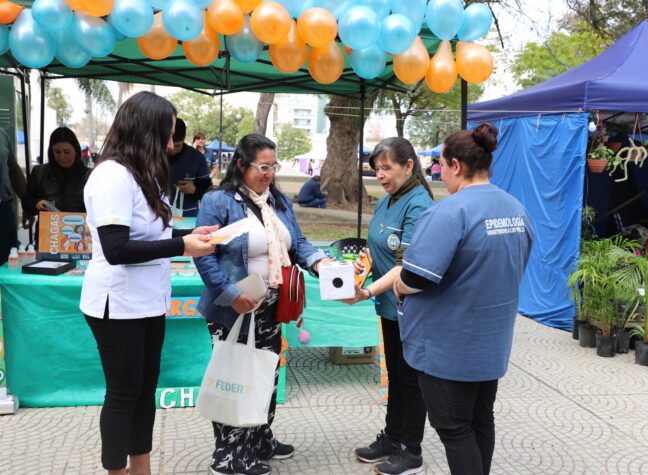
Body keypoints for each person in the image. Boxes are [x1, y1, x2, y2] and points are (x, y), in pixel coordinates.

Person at [80, 92, 217, 475]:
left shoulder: (146, 175)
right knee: (123, 393)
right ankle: (116, 471)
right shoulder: (111, 176)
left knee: (145, 391)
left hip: (149, 301)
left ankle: (142, 468)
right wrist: (182, 246)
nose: (172, 144)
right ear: (145, 132)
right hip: (117, 303)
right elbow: (117, 248)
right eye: (167, 134)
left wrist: (191, 234)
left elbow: (153, 234)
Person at [394, 124, 534, 475]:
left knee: (455, 429)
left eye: (440, 165)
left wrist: (398, 287)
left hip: (449, 346)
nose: (439, 173)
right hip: (490, 342)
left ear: (456, 165)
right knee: (480, 420)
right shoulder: (516, 208)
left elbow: (416, 276)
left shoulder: (449, 212)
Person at [194, 134, 329, 475]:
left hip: (270, 307)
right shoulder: (218, 201)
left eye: (273, 167)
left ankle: (258, 439)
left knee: (265, 373)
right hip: (234, 308)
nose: (269, 174)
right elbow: (205, 255)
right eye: (262, 167)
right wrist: (230, 295)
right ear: (240, 164)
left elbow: (297, 243)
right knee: (235, 376)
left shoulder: (277, 201)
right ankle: (228, 454)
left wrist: (319, 262)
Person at [341, 137, 435, 475]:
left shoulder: (419, 204)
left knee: (410, 380)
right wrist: (360, 267)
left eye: (386, 168)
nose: (380, 175)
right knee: (395, 375)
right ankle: (393, 438)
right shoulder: (385, 201)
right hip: (388, 305)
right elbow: (375, 248)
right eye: (377, 169)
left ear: (408, 166)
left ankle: (412, 451)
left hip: (411, 308)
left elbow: (404, 266)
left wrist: (366, 292)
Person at [22, 127, 90, 222]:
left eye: (67, 152)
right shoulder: (39, 172)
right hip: (48, 229)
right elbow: (26, 202)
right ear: (51, 152)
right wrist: (36, 203)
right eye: (57, 152)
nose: (62, 157)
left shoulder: (89, 176)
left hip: (79, 229)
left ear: (76, 151)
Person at [168, 119, 213, 217]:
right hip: (158, 215)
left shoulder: (197, 158)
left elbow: (208, 191)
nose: (171, 149)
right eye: (167, 144)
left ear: (184, 139)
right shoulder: (154, 155)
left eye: (177, 146)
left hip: (188, 217)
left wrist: (194, 190)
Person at [0, 127, 25, 264]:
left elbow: (13, 169)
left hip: (3, 209)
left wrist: (27, 204)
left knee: (8, 262)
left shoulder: (2, 133)